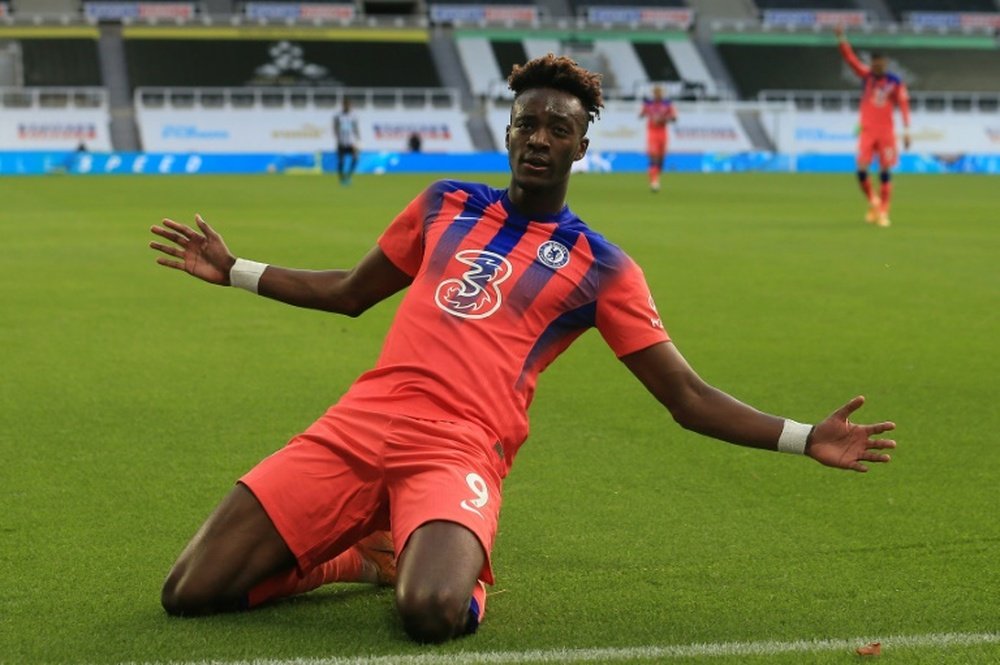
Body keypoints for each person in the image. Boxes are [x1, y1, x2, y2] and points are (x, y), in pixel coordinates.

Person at [148, 54, 897, 644]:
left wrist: (805, 439)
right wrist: (236, 270)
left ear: (581, 146)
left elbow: (686, 397)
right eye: (526, 123)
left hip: (459, 449)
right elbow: (348, 290)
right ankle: (355, 555)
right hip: (361, 423)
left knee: (431, 614)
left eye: (557, 129)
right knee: (189, 592)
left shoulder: (604, 267)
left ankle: (424, 560)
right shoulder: (444, 202)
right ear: (507, 132)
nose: (538, 138)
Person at [835, 25, 911, 227]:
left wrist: (907, 130)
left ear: (885, 64)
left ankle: (884, 212)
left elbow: (903, 105)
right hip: (867, 131)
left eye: (882, 64)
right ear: (872, 64)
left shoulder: (894, 82)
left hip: (886, 132)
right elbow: (850, 60)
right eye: (875, 64)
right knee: (861, 169)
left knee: (885, 171)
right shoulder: (866, 76)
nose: (879, 67)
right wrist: (842, 39)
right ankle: (873, 201)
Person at [638, 85, 677, 193]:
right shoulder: (649, 104)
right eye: (656, 93)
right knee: (653, 157)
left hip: (663, 133)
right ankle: (654, 182)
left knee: (661, 160)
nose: (658, 95)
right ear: (654, 94)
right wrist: (645, 110)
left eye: (659, 93)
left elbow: (674, 117)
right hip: (652, 133)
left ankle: (656, 178)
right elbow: (641, 115)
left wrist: (664, 118)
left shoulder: (667, 104)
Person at [333, 97, 361, 185]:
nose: (347, 106)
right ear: (343, 105)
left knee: (356, 158)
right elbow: (335, 127)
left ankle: (349, 175)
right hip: (341, 141)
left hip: (351, 142)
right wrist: (337, 137)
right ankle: (342, 178)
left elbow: (355, 127)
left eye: (349, 105)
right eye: (346, 105)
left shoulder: (353, 116)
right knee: (341, 160)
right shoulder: (338, 116)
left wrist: (358, 138)